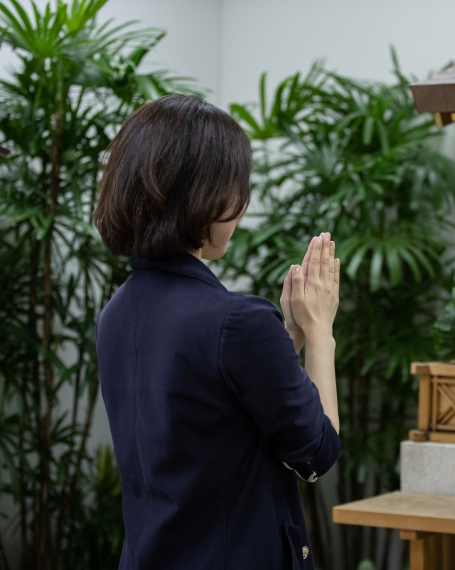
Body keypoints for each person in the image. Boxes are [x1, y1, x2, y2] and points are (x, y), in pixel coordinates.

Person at [93, 93, 341, 570]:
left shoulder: (116, 313)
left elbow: (216, 413)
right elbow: (314, 453)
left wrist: (288, 334)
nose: (240, 207)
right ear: (207, 195)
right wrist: (321, 331)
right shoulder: (238, 320)